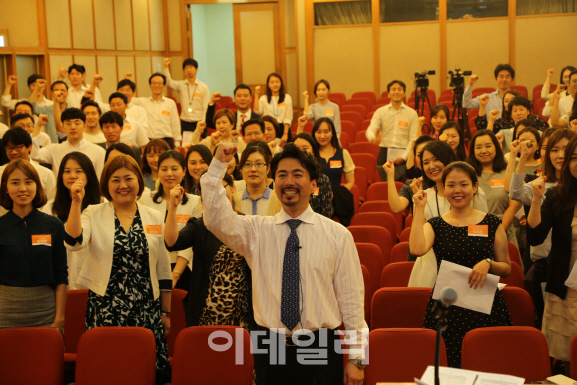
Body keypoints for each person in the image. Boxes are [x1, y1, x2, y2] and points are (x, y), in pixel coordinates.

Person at [201, 141, 367, 384]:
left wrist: (357, 358)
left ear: (313, 185)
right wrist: (218, 165)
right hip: (270, 346)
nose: (289, 181)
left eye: (297, 174)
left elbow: (352, 301)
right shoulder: (255, 230)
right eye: (282, 175)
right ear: (274, 183)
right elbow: (214, 218)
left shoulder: (338, 235)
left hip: (320, 345)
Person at [64, 155, 172, 382]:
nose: (123, 185)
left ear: (139, 182)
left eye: (128, 178)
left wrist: (166, 312)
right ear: (106, 184)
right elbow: (73, 243)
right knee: (108, 367)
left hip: (146, 307)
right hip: (105, 306)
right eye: (115, 180)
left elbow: (163, 267)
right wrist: (76, 202)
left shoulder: (153, 216)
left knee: (141, 369)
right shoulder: (92, 213)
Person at [411, 161, 512, 368]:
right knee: (450, 368)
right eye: (451, 185)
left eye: (464, 184)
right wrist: (419, 209)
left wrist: (488, 263)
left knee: (488, 365)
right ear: (444, 188)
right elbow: (417, 249)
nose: (457, 190)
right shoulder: (435, 224)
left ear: (475, 187)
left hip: (485, 306)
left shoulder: (491, 223)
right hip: (448, 308)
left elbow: (507, 268)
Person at [165, 172, 254, 329]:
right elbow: (171, 242)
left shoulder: (248, 224)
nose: (216, 194)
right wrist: (172, 207)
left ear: (232, 187)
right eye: (208, 190)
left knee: (240, 353)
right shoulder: (201, 226)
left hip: (243, 313)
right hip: (207, 314)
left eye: (220, 187)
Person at [509, 128, 574, 327]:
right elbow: (514, 192)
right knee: (554, 324)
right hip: (547, 265)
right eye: (554, 149)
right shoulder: (540, 183)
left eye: (566, 149)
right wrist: (522, 157)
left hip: (571, 263)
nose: (560, 155)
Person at [527, 134, 577, 375]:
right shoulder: (557, 195)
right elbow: (536, 236)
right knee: (568, 355)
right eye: (574, 158)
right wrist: (536, 200)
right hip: (566, 288)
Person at [0, 160, 67, 330]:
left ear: (37, 186)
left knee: (46, 356)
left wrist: (59, 319)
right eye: (15, 182)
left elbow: (61, 275)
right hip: (5, 310)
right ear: (6, 188)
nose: (23, 188)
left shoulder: (54, 225)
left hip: (46, 310)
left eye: (29, 182)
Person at [139, 151, 202, 291]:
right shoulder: (145, 199)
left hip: (184, 269)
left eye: (174, 169)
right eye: (164, 169)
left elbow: (191, 243)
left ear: (184, 171)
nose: (169, 173)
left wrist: (175, 274)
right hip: (152, 267)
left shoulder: (195, 201)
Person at [43, 152, 102, 290]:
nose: (72, 176)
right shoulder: (51, 207)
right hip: (61, 277)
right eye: (67, 171)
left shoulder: (102, 205)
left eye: (79, 171)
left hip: (95, 279)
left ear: (89, 174)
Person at [467, 130, 520, 248]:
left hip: (504, 230)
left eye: (488, 146)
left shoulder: (508, 171)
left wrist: (498, 231)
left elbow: (513, 205)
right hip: (475, 231)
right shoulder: (467, 175)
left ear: (496, 147)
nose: (483, 151)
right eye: (478, 147)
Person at [366, 80, 418, 181]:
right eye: (393, 89)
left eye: (399, 89)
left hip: (403, 152)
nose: (396, 92)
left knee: (400, 185)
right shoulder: (380, 112)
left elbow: (413, 139)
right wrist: (373, 138)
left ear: (404, 93)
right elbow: (370, 130)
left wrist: (403, 157)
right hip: (384, 152)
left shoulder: (411, 114)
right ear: (388, 94)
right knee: (383, 184)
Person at [31, 108, 106, 179]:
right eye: (68, 123)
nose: (73, 127)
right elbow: (34, 155)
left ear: (84, 127)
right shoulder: (54, 149)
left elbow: (99, 180)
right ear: (63, 128)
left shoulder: (98, 152)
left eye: (77, 123)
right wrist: (38, 125)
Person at [0, 127, 56, 201]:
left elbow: (51, 202)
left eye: (18, 147)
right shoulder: (0, 172)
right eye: (9, 148)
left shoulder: (46, 173)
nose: (14, 152)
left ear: (29, 147)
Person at [130, 73, 181, 149]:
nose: (157, 85)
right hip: (149, 141)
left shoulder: (170, 103)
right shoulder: (143, 102)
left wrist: (177, 144)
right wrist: (127, 80)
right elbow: (127, 99)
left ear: (164, 86)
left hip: (166, 141)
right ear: (150, 86)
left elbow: (175, 124)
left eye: (159, 83)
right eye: (154, 83)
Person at [163, 57, 210, 136]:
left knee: (200, 146)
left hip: (198, 122)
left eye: (191, 67)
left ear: (196, 69)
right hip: (185, 122)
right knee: (185, 145)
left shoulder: (203, 87)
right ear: (184, 71)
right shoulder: (181, 85)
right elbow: (169, 82)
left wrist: (203, 123)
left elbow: (205, 107)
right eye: (186, 68)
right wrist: (165, 67)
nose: (188, 70)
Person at [293, 132, 334, 218]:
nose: (300, 152)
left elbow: (327, 213)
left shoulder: (322, 179)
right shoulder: (286, 179)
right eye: (296, 149)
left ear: (313, 152)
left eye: (305, 148)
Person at [235, 145, 281, 216]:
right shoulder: (234, 200)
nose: (253, 169)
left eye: (259, 164)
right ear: (241, 169)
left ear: (268, 169)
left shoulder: (279, 200)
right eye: (248, 164)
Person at [313, 118, 355, 191]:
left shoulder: (343, 153)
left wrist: (338, 194)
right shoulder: (311, 154)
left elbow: (350, 181)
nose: (322, 136)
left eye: (326, 132)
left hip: (336, 197)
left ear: (332, 133)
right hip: (314, 197)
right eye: (319, 132)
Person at [254, 73, 293, 146]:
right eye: (272, 82)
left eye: (277, 82)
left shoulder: (287, 98)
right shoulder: (264, 98)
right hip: (268, 128)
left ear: (281, 83)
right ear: (268, 84)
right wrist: (256, 95)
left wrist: (285, 134)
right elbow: (257, 111)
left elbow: (288, 117)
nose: (275, 84)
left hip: (283, 128)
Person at [31, 79, 69, 143]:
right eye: (56, 90)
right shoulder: (47, 109)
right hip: (51, 147)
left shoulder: (72, 110)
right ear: (52, 93)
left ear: (67, 93)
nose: (60, 93)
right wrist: (37, 88)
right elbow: (32, 108)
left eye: (63, 90)